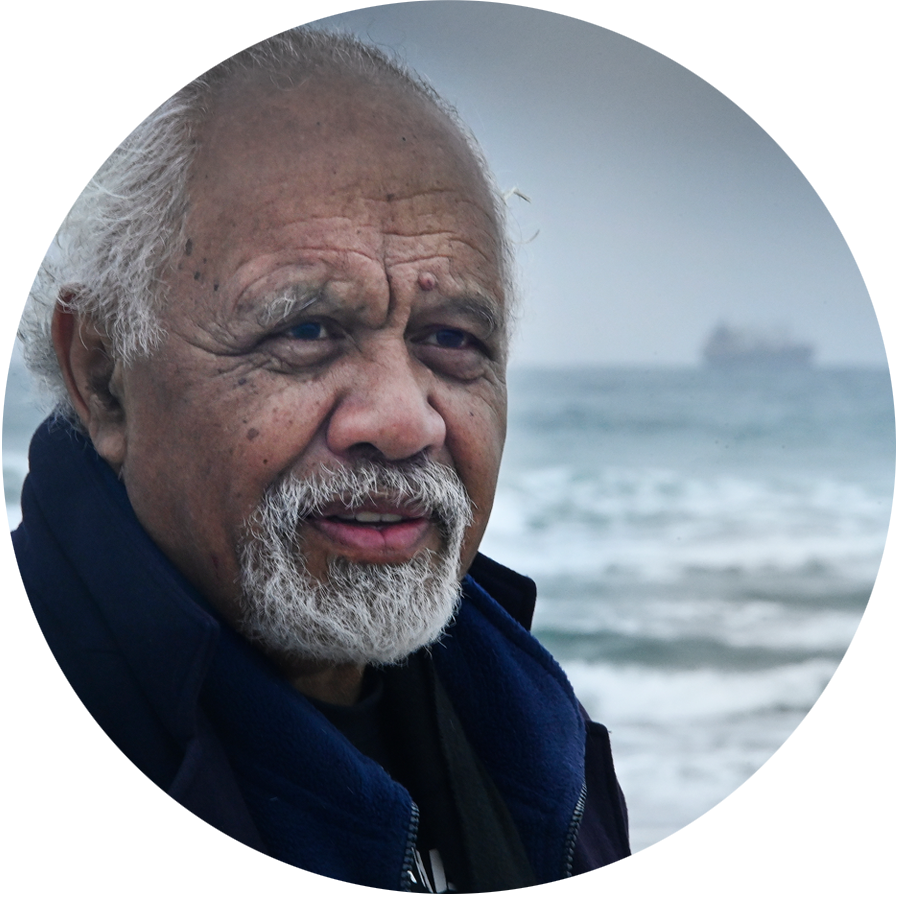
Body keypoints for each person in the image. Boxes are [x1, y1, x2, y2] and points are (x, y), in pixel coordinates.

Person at [3, 23, 640, 893]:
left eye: (451, 339)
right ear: (104, 375)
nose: (403, 420)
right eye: (306, 330)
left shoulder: (535, 733)